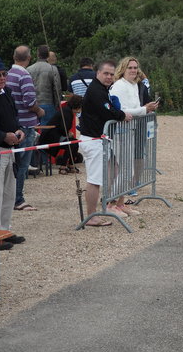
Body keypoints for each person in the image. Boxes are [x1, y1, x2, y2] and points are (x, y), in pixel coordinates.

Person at [79, 60, 132, 227]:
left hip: (100, 139)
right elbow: (107, 110)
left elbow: (108, 109)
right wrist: (122, 115)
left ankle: (108, 204)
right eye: (106, 73)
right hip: (93, 140)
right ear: (98, 74)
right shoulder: (96, 91)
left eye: (111, 74)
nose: (109, 77)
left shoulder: (102, 89)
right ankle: (91, 216)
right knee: (94, 180)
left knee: (113, 170)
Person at [109, 57, 159, 215]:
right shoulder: (118, 86)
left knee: (128, 170)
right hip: (120, 130)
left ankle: (120, 203)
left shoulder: (134, 85)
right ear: (123, 69)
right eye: (130, 67)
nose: (133, 70)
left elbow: (134, 108)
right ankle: (110, 204)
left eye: (135, 67)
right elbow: (122, 110)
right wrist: (145, 109)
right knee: (125, 170)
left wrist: (144, 109)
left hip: (131, 128)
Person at [6, 45, 45, 212]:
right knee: (22, 165)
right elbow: (29, 102)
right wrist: (39, 111)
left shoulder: (8, 74)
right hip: (26, 124)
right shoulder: (24, 75)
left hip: (13, 124)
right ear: (29, 58)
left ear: (14, 57)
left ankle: (10, 197)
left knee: (12, 164)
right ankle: (18, 199)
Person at [0, 56, 27, 250]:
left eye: (3, 74)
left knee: (8, 193)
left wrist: (19, 130)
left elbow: (14, 117)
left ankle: (5, 229)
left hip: (10, 149)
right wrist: (2, 136)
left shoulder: (7, 92)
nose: (1, 78)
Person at [39, 94, 83, 174]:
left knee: (74, 142)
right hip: (51, 137)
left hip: (54, 134)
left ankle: (70, 165)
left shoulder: (67, 110)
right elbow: (63, 129)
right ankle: (63, 166)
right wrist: (69, 134)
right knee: (72, 143)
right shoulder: (67, 112)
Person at [26, 45, 61, 126]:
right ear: (48, 56)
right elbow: (57, 89)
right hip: (49, 104)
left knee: (34, 131)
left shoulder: (29, 69)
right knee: (48, 133)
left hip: (33, 105)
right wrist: (57, 105)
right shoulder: (53, 69)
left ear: (37, 54)